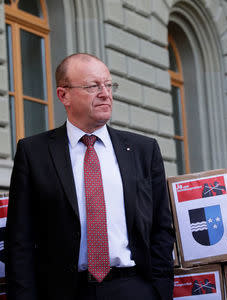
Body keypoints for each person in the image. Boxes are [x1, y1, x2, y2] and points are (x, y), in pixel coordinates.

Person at [5, 53, 174, 300]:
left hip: (133, 288)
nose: (106, 93)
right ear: (64, 95)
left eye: (108, 84)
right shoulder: (34, 153)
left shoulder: (143, 150)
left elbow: (161, 228)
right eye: (93, 86)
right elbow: (19, 239)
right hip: (63, 292)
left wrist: (159, 291)